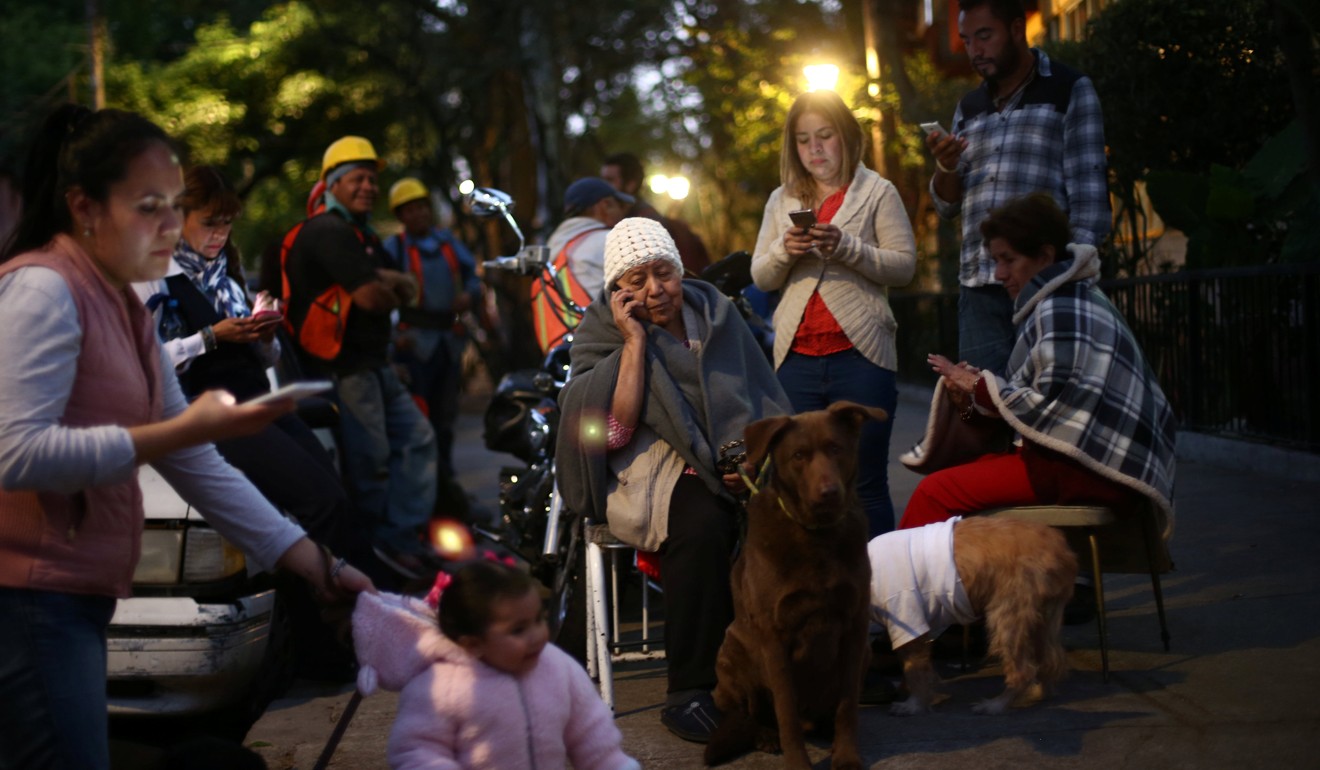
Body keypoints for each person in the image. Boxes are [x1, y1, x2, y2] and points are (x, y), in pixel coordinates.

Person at [0, 105, 373, 770]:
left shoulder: (119, 304)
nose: (173, 226)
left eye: (174, 205)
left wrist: (317, 564)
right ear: (85, 205)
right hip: (30, 601)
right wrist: (167, 434)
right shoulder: (42, 290)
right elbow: (15, 452)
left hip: (78, 598)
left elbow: (195, 456)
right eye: (151, 205)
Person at [557, 217, 792, 743]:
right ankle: (689, 689)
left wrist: (748, 459)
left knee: (788, 516)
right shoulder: (602, 332)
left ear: (680, 270)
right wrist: (634, 344)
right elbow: (611, 433)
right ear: (617, 291)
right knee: (703, 523)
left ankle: (786, 670)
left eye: (663, 273)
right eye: (635, 281)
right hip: (644, 465)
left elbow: (759, 398)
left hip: (721, 454)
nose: (653, 289)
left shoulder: (716, 314)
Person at [133, 164, 399, 596]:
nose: (218, 234)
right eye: (208, 223)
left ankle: (370, 611)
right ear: (177, 219)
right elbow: (142, 364)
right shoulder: (151, 278)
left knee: (335, 497)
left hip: (257, 399)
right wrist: (208, 338)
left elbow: (264, 359)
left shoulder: (227, 276)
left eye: (226, 223)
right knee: (320, 503)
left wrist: (265, 335)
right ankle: (353, 619)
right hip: (208, 412)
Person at [898, 193, 1175, 539]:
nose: (999, 274)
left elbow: (1050, 405)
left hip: (1089, 469)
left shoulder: (1062, 307)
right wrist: (967, 399)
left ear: (1045, 256)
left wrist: (976, 385)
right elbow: (1039, 407)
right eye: (996, 260)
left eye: (1008, 260)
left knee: (935, 492)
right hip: (1084, 464)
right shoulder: (1067, 297)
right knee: (963, 475)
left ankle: (902, 591)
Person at [751, 89, 917, 539]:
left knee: (864, 484)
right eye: (804, 140)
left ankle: (879, 594)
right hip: (797, 360)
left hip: (860, 358)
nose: (815, 149)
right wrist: (784, 252)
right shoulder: (782, 200)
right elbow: (761, 276)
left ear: (846, 135)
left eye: (825, 136)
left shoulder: (876, 191)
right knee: (794, 484)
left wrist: (847, 247)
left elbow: (904, 265)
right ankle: (809, 594)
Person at [280, 136, 439, 575]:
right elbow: (372, 298)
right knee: (370, 462)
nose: (369, 186)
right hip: (343, 371)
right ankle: (375, 554)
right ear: (333, 183)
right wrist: (393, 284)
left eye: (372, 178)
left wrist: (388, 284)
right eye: (358, 178)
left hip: (374, 367)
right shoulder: (328, 231)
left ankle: (397, 537)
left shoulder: (362, 236)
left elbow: (393, 289)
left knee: (417, 440)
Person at [928, 0, 1111, 374]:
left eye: (984, 36)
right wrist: (946, 165)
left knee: (1043, 411)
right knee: (981, 412)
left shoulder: (1068, 88)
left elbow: (1090, 201)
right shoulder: (969, 106)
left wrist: (1064, 279)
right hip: (979, 284)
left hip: (1043, 285)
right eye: (966, 40)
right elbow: (947, 205)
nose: (975, 51)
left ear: (1015, 29)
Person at [352, 561, 641, 770]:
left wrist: (611, 763)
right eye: (517, 630)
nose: (537, 636)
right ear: (473, 644)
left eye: (539, 620)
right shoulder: (440, 687)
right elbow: (415, 750)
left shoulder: (557, 666)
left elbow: (590, 729)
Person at [383, 177, 480, 498]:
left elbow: (473, 278)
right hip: (413, 345)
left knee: (445, 419)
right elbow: (381, 297)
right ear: (400, 216)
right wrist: (394, 337)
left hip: (446, 343)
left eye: (422, 207)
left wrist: (469, 295)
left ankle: (446, 485)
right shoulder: (393, 249)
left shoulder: (447, 243)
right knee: (417, 422)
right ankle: (420, 490)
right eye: (409, 210)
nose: (418, 214)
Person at [600, 152, 710, 274]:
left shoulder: (646, 224)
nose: (603, 187)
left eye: (610, 180)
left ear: (631, 185)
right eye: (602, 180)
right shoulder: (622, 220)